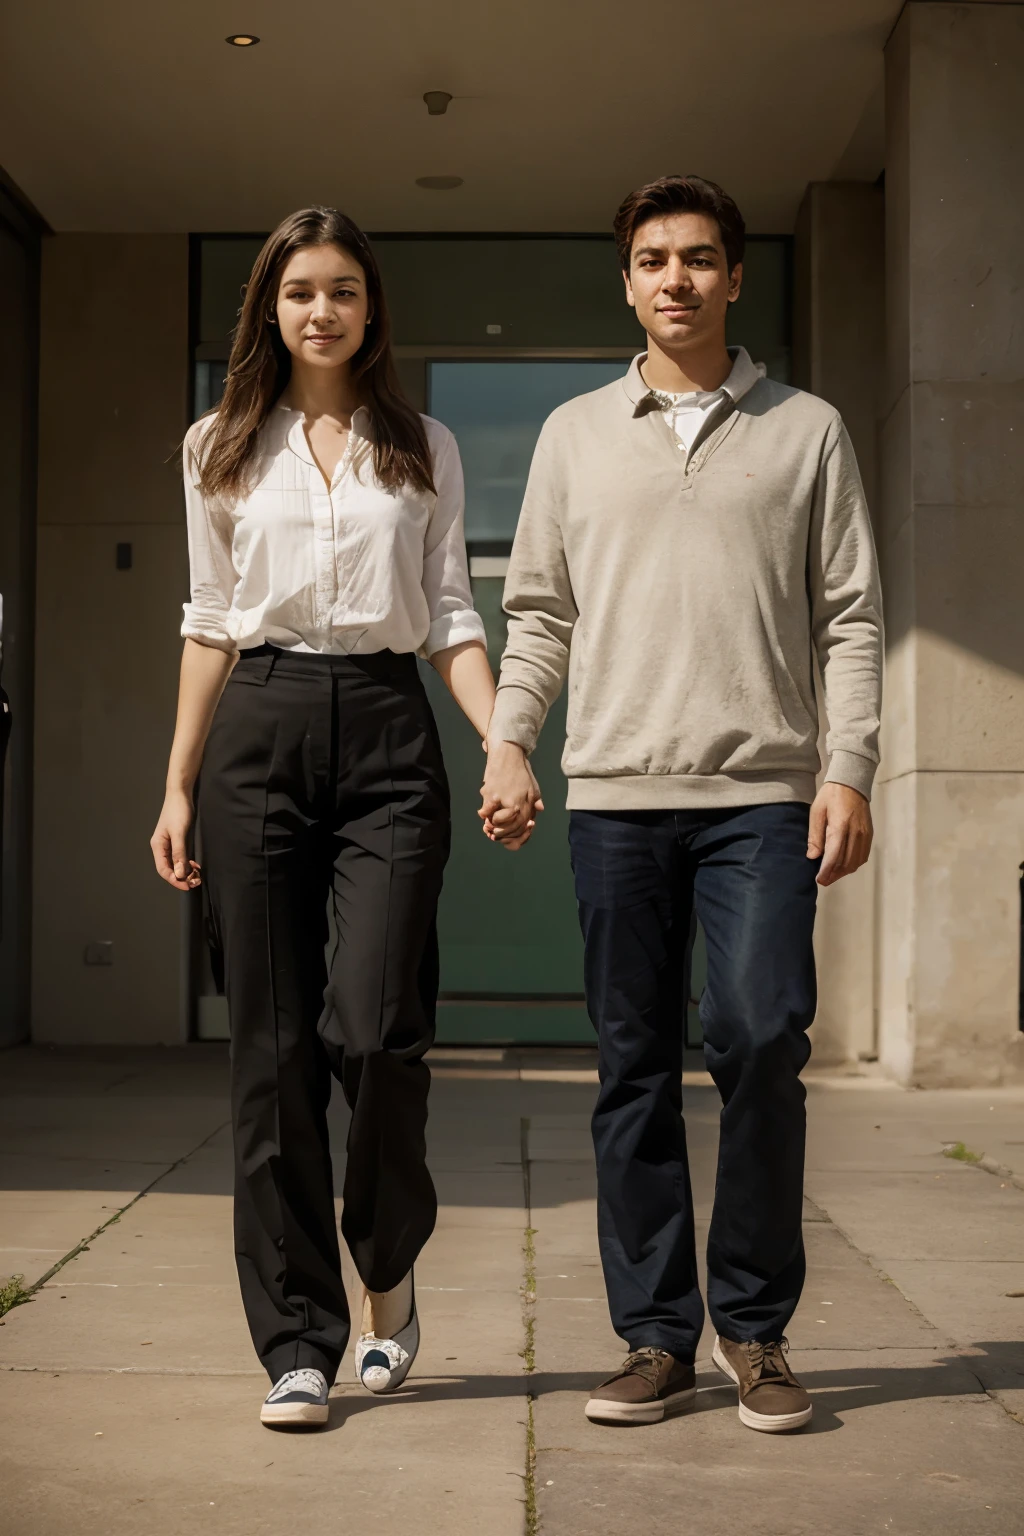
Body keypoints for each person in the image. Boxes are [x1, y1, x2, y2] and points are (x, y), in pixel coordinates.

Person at [482, 175, 882, 1433]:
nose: (676, 279)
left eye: (699, 258)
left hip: (761, 796)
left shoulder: (806, 429)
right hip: (614, 797)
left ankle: (752, 1331)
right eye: (653, 260)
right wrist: (509, 743)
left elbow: (852, 617)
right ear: (627, 281)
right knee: (631, 1068)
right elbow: (537, 611)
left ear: (734, 277)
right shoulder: (570, 434)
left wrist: (849, 765)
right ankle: (654, 1338)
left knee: (761, 1038)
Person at [150, 207, 495, 1429]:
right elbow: (205, 618)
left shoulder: (425, 444)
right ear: (270, 306)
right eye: (300, 290)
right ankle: (296, 1340)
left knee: (378, 1029)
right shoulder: (220, 446)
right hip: (261, 725)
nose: (322, 310)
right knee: (273, 1051)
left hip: (394, 733)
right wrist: (180, 780)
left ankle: (385, 1272)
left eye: (343, 288)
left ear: (370, 308)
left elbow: (451, 611)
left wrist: (500, 739)